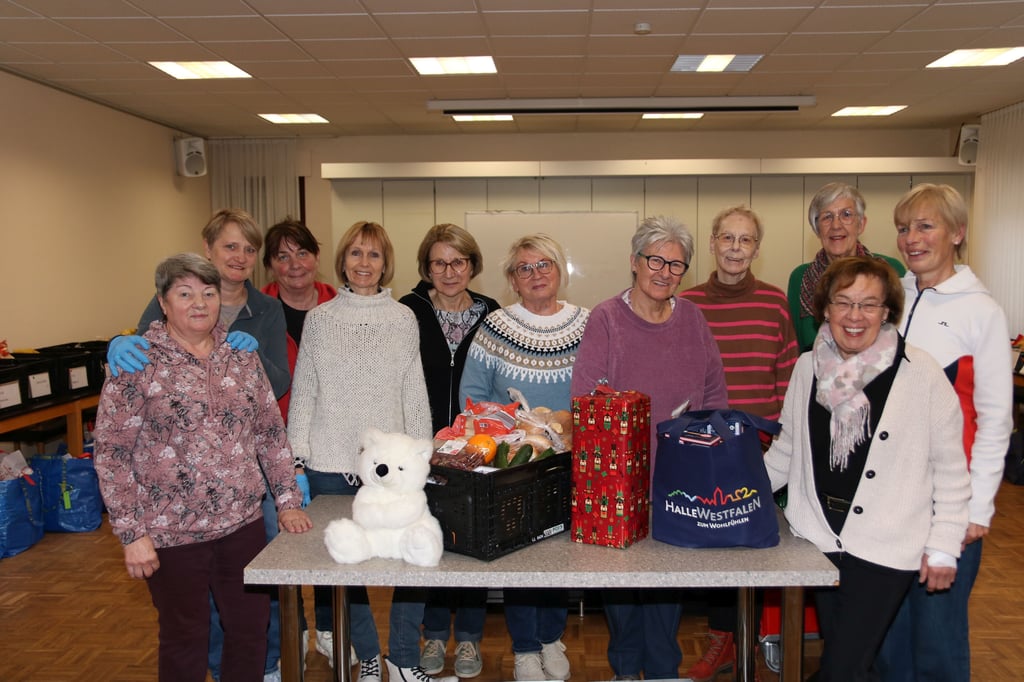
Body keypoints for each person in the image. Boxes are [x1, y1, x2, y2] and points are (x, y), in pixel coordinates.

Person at [92, 253, 313, 682]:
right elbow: (112, 453)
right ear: (163, 301)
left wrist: (286, 501)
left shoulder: (242, 357)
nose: (199, 303)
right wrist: (132, 533)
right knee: (185, 637)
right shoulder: (137, 362)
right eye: (185, 293)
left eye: (208, 293)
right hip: (172, 534)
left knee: (250, 631)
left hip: (242, 525)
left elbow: (269, 433)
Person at [764, 256, 971, 681]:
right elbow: (787, 450)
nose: (855, 316)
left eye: (869, 304)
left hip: (886, 544)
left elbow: (951, 469)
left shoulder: (922, 373)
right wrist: (734, 496)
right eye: (844, 302)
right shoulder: (807, 367)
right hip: (819, 539)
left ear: (887, 311)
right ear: (825, 308)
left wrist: (945, 543)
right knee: (857, 661)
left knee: (841, 668)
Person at [287, 220, 454, 682]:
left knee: (416, 557)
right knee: (342, 569)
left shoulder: (403, 319)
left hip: (392, 471)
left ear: (386, 264)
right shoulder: (319, 320)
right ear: (342, 261)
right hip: (328, 464)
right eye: (356, 254)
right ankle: (367, 655)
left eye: (374, 255)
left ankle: (402, 658)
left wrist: (424, 454)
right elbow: (305, 393)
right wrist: (296, 459)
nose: (364, 263)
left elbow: (413, 392)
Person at [571, 215, 729, 681]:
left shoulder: (694, 319)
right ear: (635, 262)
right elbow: (586, 400)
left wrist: (706, 445)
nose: (665, 272)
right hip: (618, 483)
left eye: (677, 265)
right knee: (621, 589)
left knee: (665, 589)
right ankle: (624, 669)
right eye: (655, 260)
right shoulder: (605, 318)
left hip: (679, 478)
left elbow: (715, 393)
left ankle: (662, 670)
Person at [876, 184, 1013, 681]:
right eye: (904, 227)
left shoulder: (983, 313)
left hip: (947, 505)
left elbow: (996, 419)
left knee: (936, 640)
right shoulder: (890, 297)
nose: (911, 238)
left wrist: (977, 508)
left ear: (957, 233)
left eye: (925, 226)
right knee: (888, 640)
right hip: (889, 502)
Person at [460, 233, 590, 682]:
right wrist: (522, 426)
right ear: (513, 281)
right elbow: (472, 399)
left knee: (558, 554)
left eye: (544, 265)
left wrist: (565, 422)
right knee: (520, 556)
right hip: (514, 464)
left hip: (572, 463)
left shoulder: (588, 323)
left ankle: (552, 637)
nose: (535, 275)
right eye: (524, 268)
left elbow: (602, 389)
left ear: (560, 272)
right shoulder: (496, 327)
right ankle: (525, 649)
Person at [679, 206, 798, 681]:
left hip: (761, 448)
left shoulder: (774, 304)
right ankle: (721, 637)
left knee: (754, 547)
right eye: (726, 238)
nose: (734, 248)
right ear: (712, 243)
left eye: (745, 240)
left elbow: (789, 377)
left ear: (756, 248)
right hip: (702, 444)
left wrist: (783, 441)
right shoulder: (685, 302)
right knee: (711, 545)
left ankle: (746, 637)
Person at [398, 224, 499, 679]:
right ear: (427, 268)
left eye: (459, 261)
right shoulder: (406, 312)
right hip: (421, 452)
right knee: (431, 545)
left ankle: (471, 641)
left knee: (473, 544)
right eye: (439, 262)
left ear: (472, 265)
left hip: (479, 450)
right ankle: (435, 634)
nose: (449, 271)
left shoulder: (494, 314)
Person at [788, 183, 905, 352]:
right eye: (827, 217)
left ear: (861, 224)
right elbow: (795, 347)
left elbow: (901, 336)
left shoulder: (890, 270)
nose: (836, 225)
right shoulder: (800, 278)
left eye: (846, 215)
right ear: (817, 229)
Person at [261, 217, 338, 419]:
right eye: (283, 257)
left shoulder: (340, 308)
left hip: (330, 428)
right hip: (274, 429)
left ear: (317, 257)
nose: (295, 265)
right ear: (270, 265)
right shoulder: (256, 312)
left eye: (302, 253)